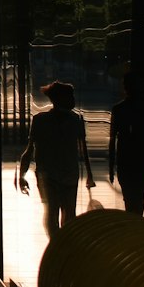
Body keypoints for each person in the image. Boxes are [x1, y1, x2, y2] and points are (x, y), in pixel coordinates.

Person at [18, 80, 94, 238]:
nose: (73, 100)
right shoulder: (74, 121)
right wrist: (89, 174)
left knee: (52, 211)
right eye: (70, 96)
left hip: (50, 174)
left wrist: (22, 175)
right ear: (61, 99)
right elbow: (83, 149)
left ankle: (56, 242)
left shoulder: (41, 120)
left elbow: (29, 149)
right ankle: (59, 243)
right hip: (62, 174)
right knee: (66, 212)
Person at [109, 71, 144, 216]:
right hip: (143, 161)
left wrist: (111, 165)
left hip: (127, 162)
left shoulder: (119, 109)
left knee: (132, 204)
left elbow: (113, 138)